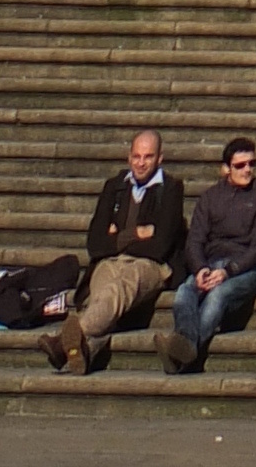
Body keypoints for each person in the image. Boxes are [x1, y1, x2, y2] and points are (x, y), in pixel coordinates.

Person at [45, 128, 188, 374]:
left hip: (150, 265)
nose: (141, 163)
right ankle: (83, 351)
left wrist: (117, 235)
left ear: (159, 158)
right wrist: (136, 233)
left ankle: (67, 337)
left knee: (117, 290)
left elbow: (160, 245)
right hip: (109, 261)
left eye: (148, 157)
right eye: (136, 156)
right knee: (103, 297)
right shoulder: (114, 186)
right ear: (128, 157)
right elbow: (96, 244)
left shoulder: (171, 189)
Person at [164, 137, 256, 376]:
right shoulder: (210, 198)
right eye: (240, 165)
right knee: (184, 293)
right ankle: (185, 353)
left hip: (244, 269)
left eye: (251, 164)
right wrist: (200, 269)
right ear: (226, 168)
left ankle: (181, 353)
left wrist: (229, 271)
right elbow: (194, 241)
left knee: (217, 296)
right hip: (210, 263)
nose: (247, 170)